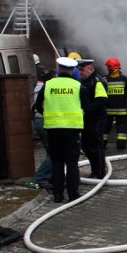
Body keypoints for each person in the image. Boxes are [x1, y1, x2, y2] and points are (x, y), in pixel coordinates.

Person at [35, 57, 85, 203]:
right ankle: (73, 195)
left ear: (59, 68)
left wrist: (47, 114)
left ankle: (57, 194)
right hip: (72, 129)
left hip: (53, 129)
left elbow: (37, 105)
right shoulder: (77, 85)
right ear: (72, 70)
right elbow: (85, 104)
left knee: (57, 162)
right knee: (72, 163)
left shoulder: (48, 85)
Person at [78, 59, 108, 179]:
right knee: (86, 146)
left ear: (90, 69)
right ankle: (94, 169)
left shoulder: (97, 81)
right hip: (87, 119)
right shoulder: (84, 81)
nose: (80, 72)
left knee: (95, 146)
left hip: (96, 119)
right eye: (79, 70)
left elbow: (101, 100)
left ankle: (99, 172)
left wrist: (86, 110)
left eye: (82, 70)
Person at [29, 67, 55, 191]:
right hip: (45, 121)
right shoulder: (46, 88)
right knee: (54, 152)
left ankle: (50, 176)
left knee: (51, 151)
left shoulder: (39, 87)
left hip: (39, 121)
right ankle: (41, 177)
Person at [102, 57, 127, 151]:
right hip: (121, 111)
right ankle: (121, 145)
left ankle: (102, 144)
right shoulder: (124, 79)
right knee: (121, 129)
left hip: (107, 111)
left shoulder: (104, 80)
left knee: (105, 128)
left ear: (110, 68)